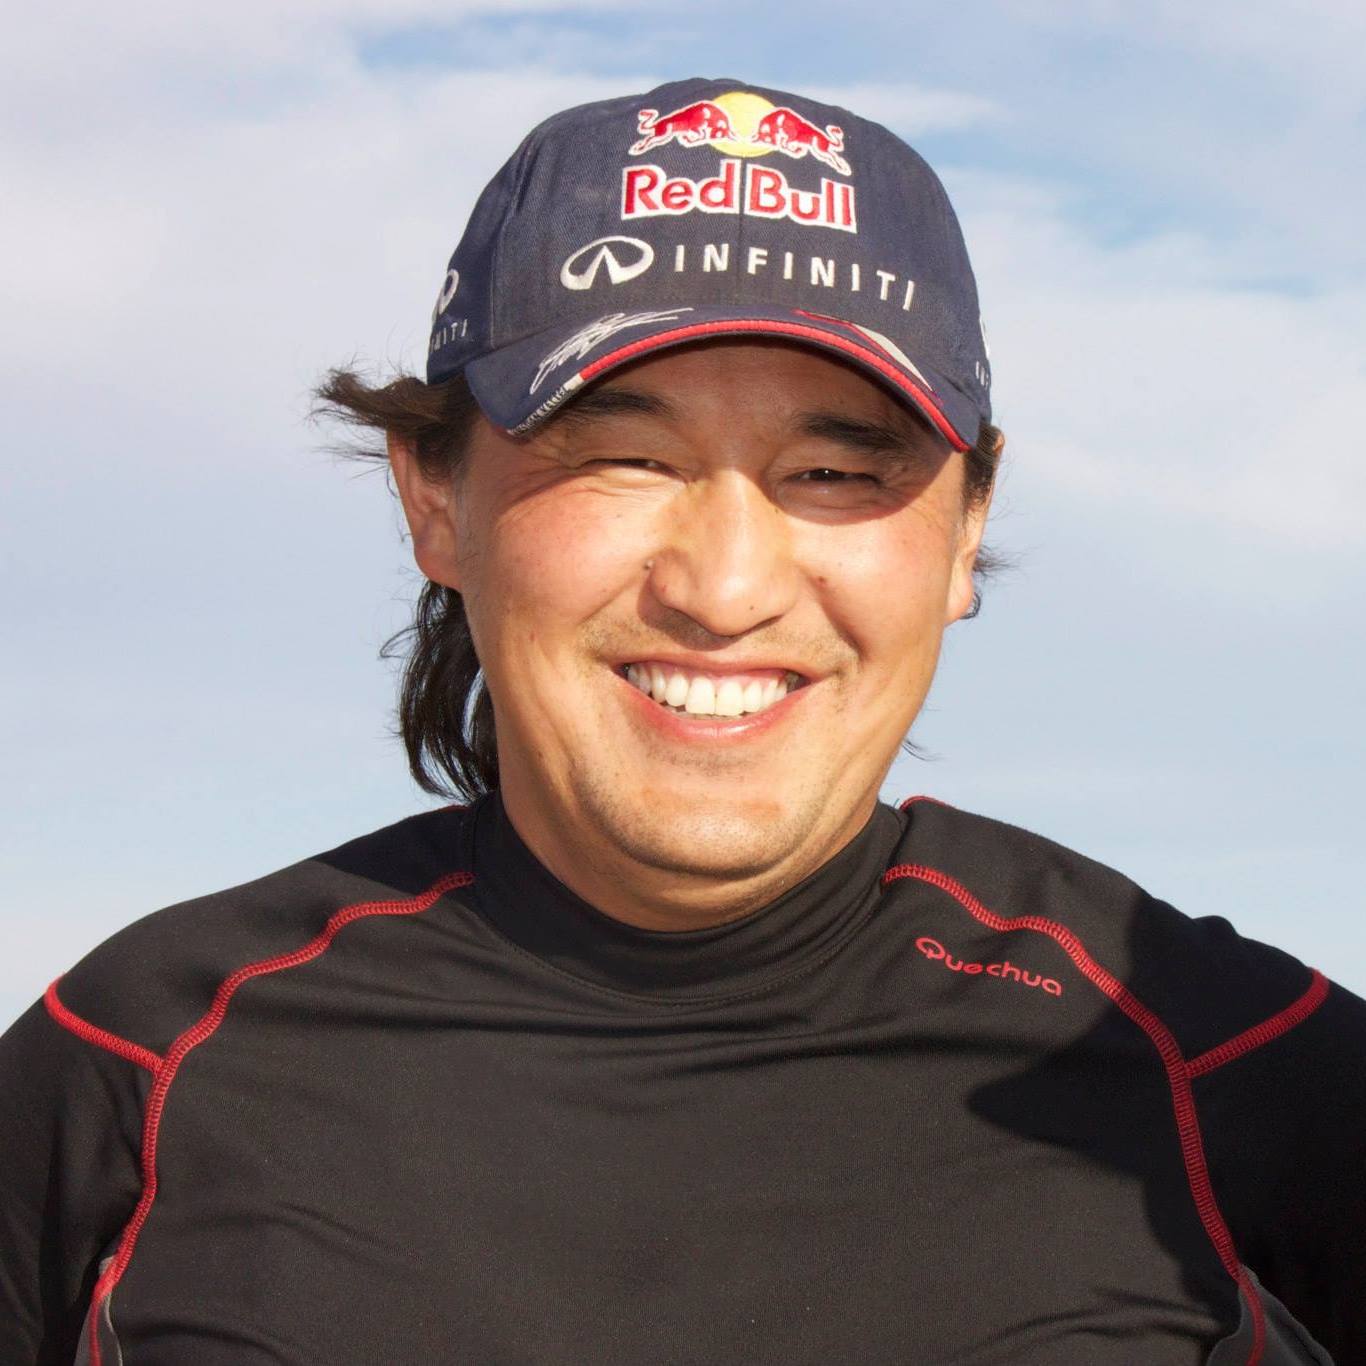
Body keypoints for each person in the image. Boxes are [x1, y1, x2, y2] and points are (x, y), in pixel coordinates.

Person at [1, 77, 1361, 1366]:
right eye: (626, 458)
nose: (723, 588)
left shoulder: (1230, 1064)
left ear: (967, 531)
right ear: (434, 498)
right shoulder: (137, 1066)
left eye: (830, 472)